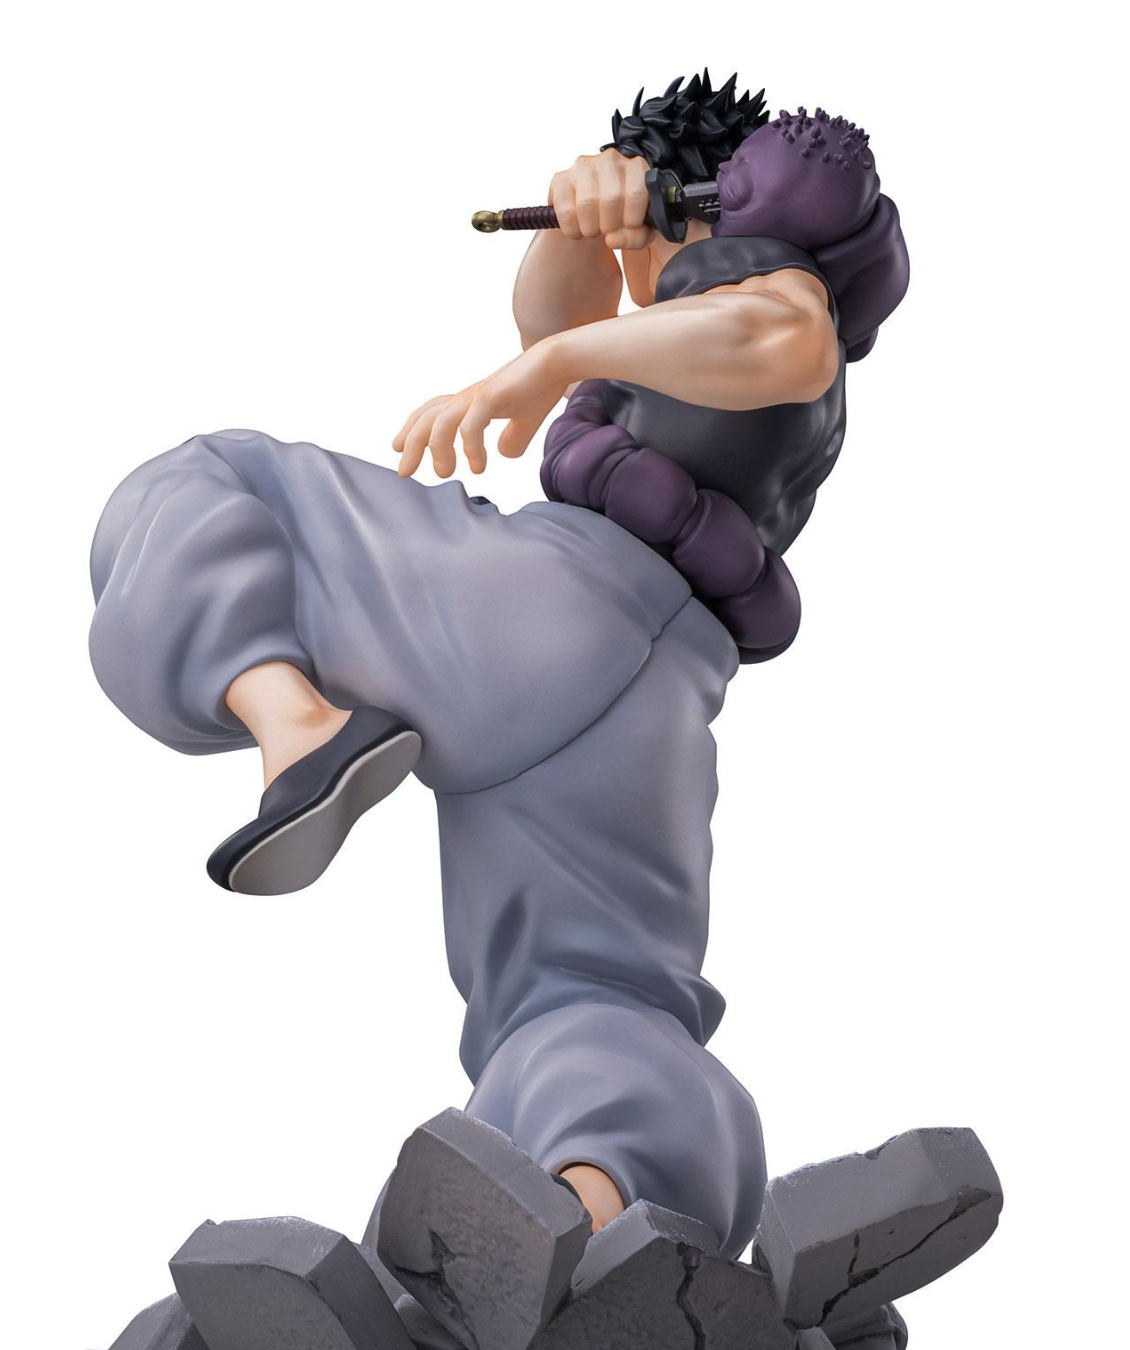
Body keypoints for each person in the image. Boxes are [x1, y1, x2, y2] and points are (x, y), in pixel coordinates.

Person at [88, 74, 908, 1259]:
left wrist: (551, 356)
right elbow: (555, 325)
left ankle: (298, 725)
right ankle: (595, 1204)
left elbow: (770, 336)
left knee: (213, 482)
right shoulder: (676, 338)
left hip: (551, 603)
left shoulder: (769, 294)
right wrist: (578, 224)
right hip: (653, 704)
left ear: (705, 205)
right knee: (595, 993)